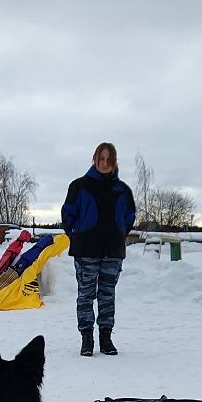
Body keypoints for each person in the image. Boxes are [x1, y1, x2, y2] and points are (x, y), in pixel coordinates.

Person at [60, 142, 137, 356]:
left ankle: (106, 337)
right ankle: (87, 338)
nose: (104, 163)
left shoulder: (122, 190)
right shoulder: (79, 186)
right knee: (85, 295)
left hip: (112, 251)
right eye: (101, 159)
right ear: (94, 159)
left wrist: (118, 234)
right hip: (86, 251)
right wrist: (78, 235)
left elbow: (129, 217)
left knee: (107, 295)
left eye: (108, 160)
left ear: (114, 162)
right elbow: (68, 215)